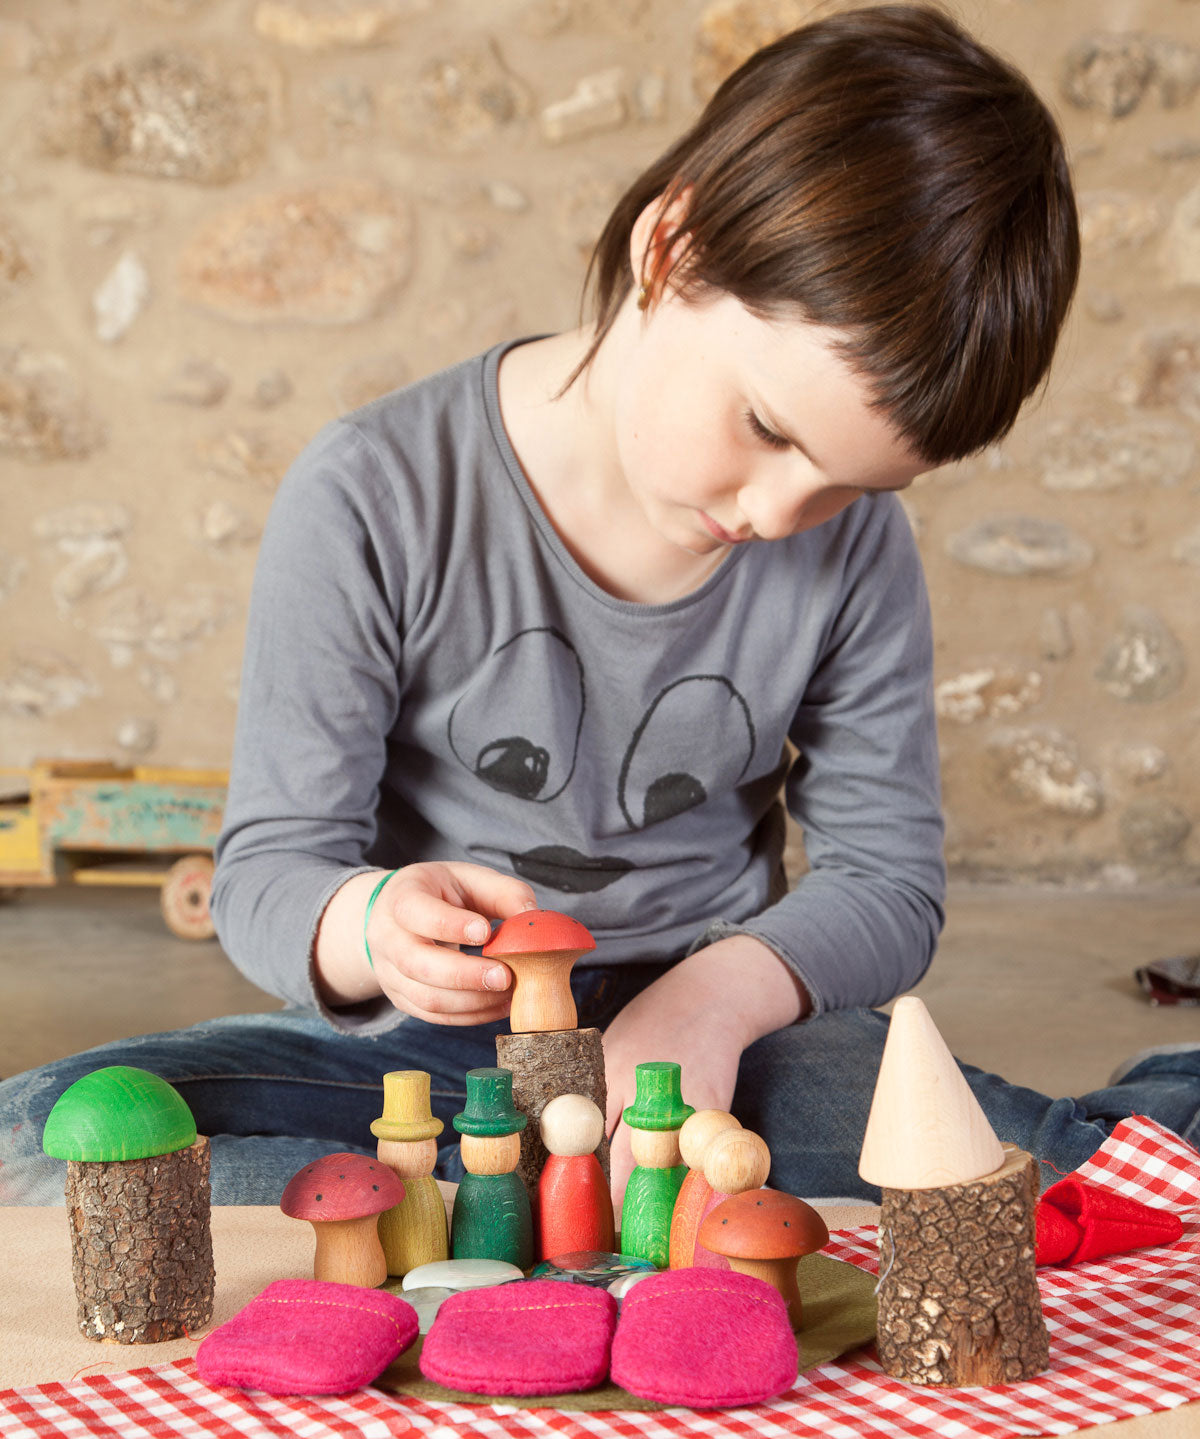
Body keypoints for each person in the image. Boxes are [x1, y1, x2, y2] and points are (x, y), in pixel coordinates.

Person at [2, 4, 1197, 1207]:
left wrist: (718, 996)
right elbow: (267, 872)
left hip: (720, 1051)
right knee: (44, 1141)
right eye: (770, 429)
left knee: (1051, 1168)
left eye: (852, 482)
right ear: (670, 248)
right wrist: (367, 926)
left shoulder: (854, 549)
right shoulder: (373, 491)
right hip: (415, 1063)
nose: (783, 511)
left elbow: (888, 879)